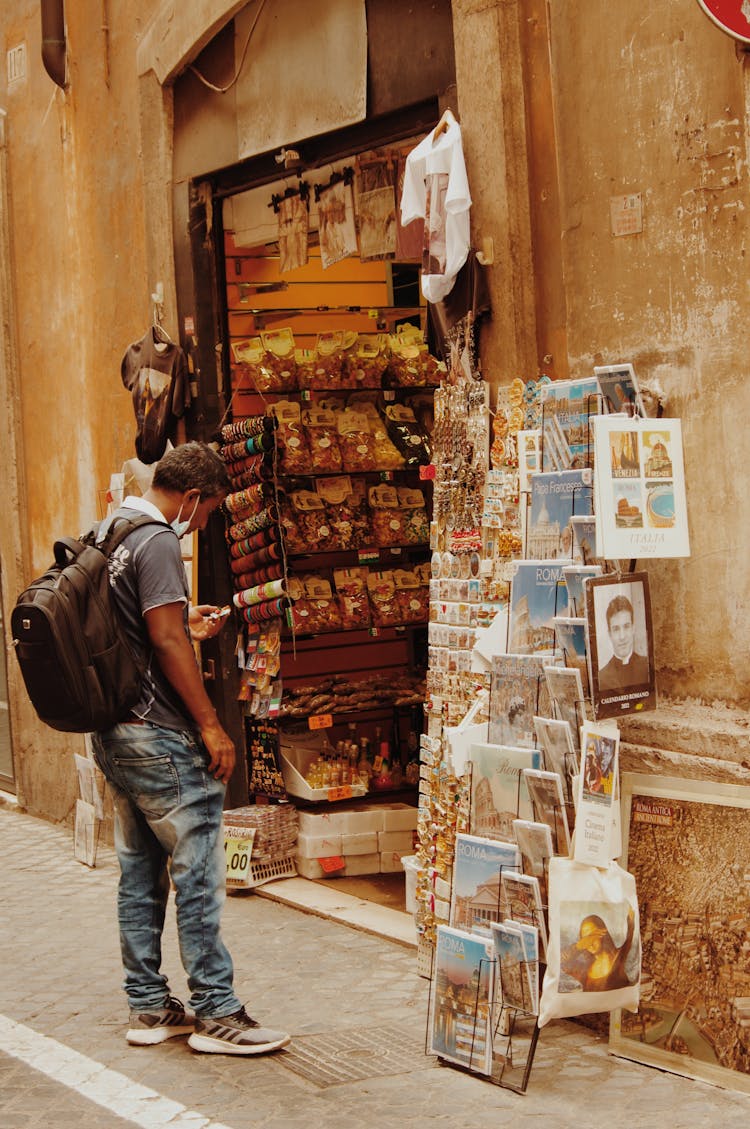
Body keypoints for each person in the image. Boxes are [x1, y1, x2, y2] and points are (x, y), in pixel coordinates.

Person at [92, 442, 290, 1056]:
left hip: (116, 731)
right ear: (194, 497)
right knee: (198, 873)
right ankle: (216, 1011)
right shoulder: (155, 540)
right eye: (206, 515)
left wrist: (186, 627)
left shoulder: (109, 531)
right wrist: (210, 725)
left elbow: (145, 633)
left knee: (139, 873)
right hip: (158, 733)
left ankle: (148, 1006)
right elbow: (165, 641)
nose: (202, 525)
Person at [561, 908, 636, 992]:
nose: (590, 943)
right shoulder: (584, 969)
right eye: (585, 939)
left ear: (603, 933)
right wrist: (579, 946)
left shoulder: (618, 956)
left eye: (593, 936)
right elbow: (561, 962)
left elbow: (631, 929)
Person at [597, 594, 649, 692]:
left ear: (633, 629)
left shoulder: (647, 667)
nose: (622, 637)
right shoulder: (602, 677)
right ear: (610, 634)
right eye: (616, 629)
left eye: (626, 626)